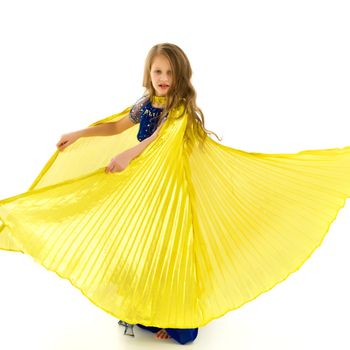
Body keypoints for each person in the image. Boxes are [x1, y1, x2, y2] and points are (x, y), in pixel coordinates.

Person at [1, 42, 350, 346]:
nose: (163, 77)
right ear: (148, 73)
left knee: (175, 277)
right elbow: (117, 126)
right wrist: (79, 133)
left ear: (180, 75)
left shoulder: (178, 107)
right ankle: (148, 307)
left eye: (169, 71)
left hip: (171, 194)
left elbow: (159, 140)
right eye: (157, 71)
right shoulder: (146, 103)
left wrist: (126, 154)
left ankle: (178, 317)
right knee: (142, 249)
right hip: (144, 189)